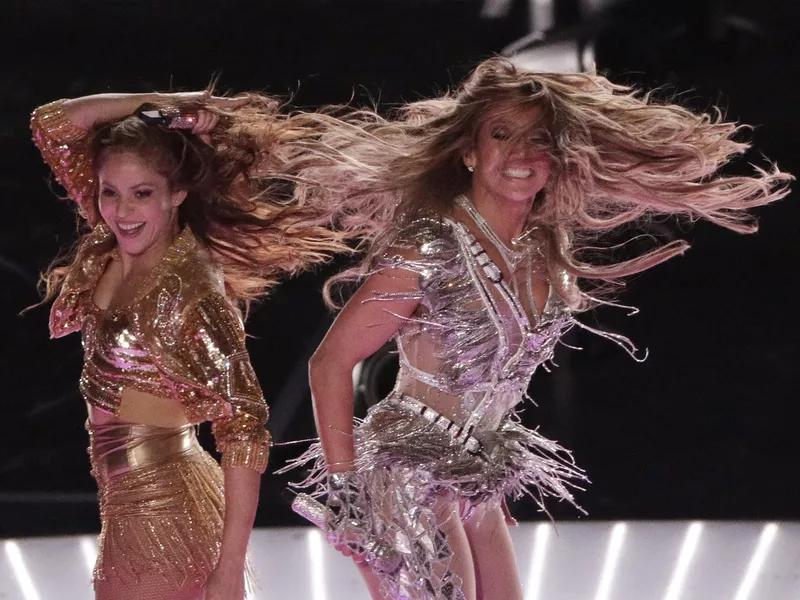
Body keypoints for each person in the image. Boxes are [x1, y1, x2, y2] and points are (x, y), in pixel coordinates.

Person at [282, 57, 792, 600]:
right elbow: (330, 362)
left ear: (556, 158)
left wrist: (488, 474)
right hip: (405, 475)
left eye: (538, 139)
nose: (522, 152)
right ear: (470, 153)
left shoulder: (544, 253)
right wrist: (348, 491)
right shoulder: (430, 247)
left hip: (475, 478)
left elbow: (494, 381)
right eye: (502, 134)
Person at [31, 90, 348, 600]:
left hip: (165, 511)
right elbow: (51, 122)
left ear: (177, 193)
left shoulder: (188, 293)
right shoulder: (114, 237)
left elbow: (245, 426)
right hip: (129, 501)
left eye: (142, 193)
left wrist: (229, 570)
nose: (121, 210)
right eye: (109, 192)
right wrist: (163, 105)